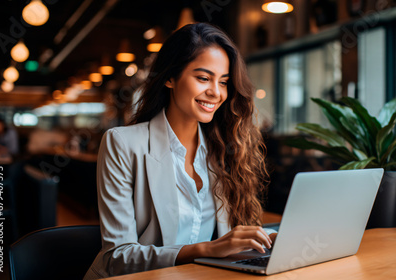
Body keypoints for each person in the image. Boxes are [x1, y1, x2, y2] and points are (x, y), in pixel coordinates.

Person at [84, 23, 275, 279]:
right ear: (171, 78)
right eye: (203, 78)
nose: (216, 93)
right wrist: (207, 249)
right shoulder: (122, 143)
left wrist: (262, 240)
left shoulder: (225, 150)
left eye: (224, 82)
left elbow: (227, 240)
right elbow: (117, 258)